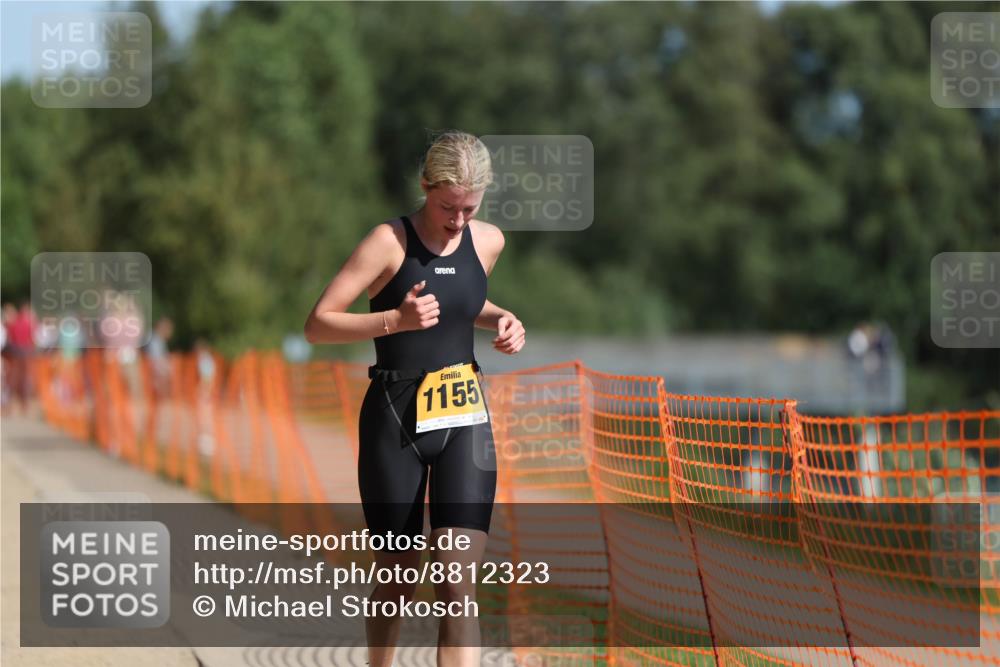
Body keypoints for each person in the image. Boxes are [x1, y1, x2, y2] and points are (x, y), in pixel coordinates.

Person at [304, 130, 525, 667]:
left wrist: (503, 317)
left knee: (457, 581)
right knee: (398, 578)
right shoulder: (388, 242)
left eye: (469, 208)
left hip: (463, 414)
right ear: (425, 187)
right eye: (448, 207)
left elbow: (460, 302)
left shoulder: (488, 241)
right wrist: (393, 320)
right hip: (395, 416)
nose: (458, 221)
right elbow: (319, 324)